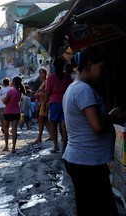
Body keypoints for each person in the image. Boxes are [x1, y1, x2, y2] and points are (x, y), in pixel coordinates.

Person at [62, 46, 126, 216]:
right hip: (87, 163)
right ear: (90, 64)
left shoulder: (72, 88)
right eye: (101, 67)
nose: (103, 72)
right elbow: (97, 126)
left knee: (88, 208)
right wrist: (112, 116)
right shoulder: (83, 90)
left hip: (82, 159)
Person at [45, 58, 72, 153]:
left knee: (53, 124)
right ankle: (64, 146)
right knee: (63, 125)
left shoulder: (50, 78)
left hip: (54, 102)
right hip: (65, 102)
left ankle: (56, 146)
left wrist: (44, 104)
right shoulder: (67, 77)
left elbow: (48, 92)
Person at [2, 76, 26, 153]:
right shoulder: (20, 92)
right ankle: (13, 148)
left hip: (8, 111)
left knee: (6, 128)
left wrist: (3, 99)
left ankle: (6, 146)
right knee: (14, 129)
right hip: (16, 111)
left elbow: (5, 101)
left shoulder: (11, 91)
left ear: (14, 82)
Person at [32, 67, 52, 144]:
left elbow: (48, 93)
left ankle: (39, 137)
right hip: (42, 102)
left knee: (41, 119)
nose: (41, 75)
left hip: (45, 103)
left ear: (45, 74)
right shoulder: (42, 82)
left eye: (42, 73)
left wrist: (39, 93)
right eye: (40, 73)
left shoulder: (46, 82)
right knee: (44, 120)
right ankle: (51, 135)